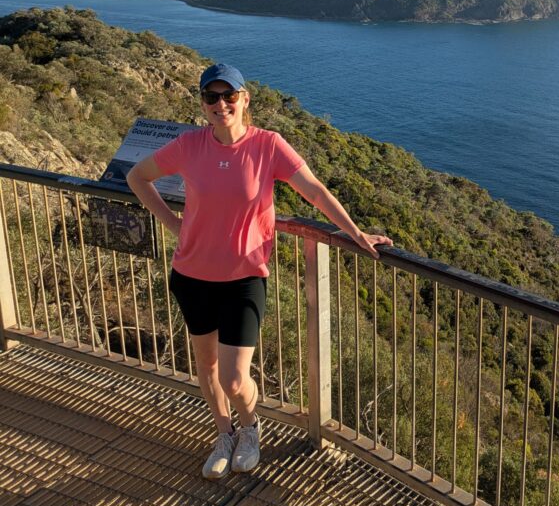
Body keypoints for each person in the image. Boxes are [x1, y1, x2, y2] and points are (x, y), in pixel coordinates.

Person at [127, 63, 392, 479]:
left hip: (244, 277)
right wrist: (174, 225)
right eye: (211, 97)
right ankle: (223, 434)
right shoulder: (189, 145)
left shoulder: (267, 145)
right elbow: (138, 177)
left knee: (234, 378)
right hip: (192, 274)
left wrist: (356, 234)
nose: (221, 104)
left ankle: (250, 427)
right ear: (202, 103)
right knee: (207, 368)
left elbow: (315, 191)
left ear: (244, 99)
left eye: (228, 96)